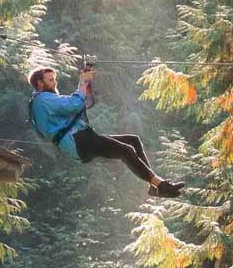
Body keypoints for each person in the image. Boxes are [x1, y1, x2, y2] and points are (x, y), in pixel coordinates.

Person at [28, 65, 184, 197]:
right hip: (77, 140)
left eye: (54, 79)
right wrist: (83, 82)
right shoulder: (43, 99)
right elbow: (74, 104)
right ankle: (160, 185)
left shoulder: (44, 101)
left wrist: (84, 83)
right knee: (126, 150)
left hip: (79, 139)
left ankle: (153, 185)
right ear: (39, 83)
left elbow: (75, 103)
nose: (55, 83)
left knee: (132, 141)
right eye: (50, 80)